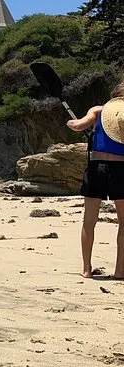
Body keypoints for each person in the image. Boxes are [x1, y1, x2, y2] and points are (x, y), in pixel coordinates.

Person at [67, 81, 124, 279]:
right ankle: (120, 270)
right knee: (123, 222)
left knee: (89, 221)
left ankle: (86, 269)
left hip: (97, 168)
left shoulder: (98, 111)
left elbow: (77, 125)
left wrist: (70, 123)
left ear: (113, 97)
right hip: (122, 170)